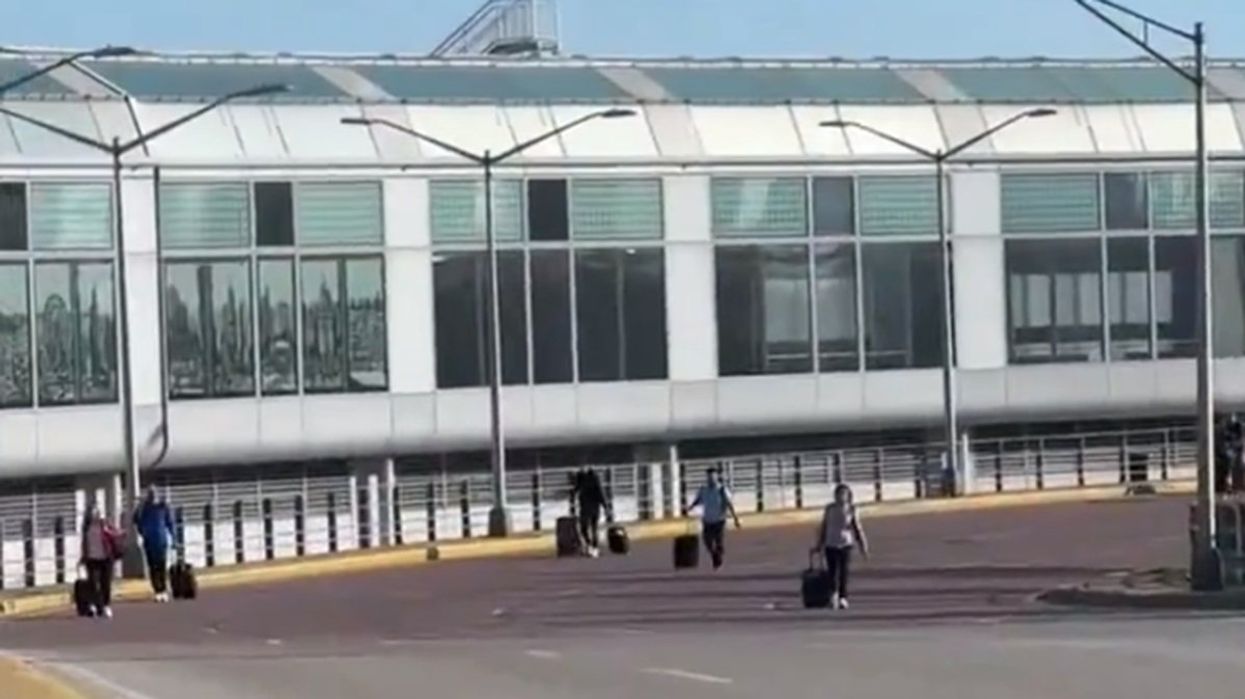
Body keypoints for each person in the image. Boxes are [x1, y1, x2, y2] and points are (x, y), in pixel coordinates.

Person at [813, 484, 869, 610]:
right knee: (832, 572)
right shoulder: (829, 509)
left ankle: (843, 597)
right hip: (831, 543)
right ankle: (833, 595)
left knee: (844, 572)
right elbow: (824, 526)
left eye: (844, 494)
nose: (841, 497)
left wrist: (863, 545)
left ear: (848, 496)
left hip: (845, 544)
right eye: (838, 494)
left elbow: (857, 528)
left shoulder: (852, 509)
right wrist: (819, 544)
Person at [689, 468, 741, 570]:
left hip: (719, 520)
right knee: (707, 541)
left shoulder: (722, 490)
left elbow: (729, 504)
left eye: (713, 476)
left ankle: (718, 558)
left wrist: (735, 519)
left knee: (719, 542)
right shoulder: (703, 490)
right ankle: (716, 556)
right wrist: (691, 507)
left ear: (717, 477)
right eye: (709, 477)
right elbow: (698, 500)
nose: (711, 479)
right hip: (707, 520)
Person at [133, 485, 176, 602]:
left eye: (154, 493)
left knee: (161, 566)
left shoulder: (162, 507)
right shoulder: (144, 508)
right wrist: (139, 506)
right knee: (153, 567)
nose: (152, 496)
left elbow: (170, 523)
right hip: (149, 541)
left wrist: (174, 539)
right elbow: (136, 520)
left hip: (161, 540)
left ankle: (163, 589)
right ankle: (157, 590)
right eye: (150, 493)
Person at [80, 502, 121, 619]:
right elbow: (84, 542)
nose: (94, 514)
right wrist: (83, 555)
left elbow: (114, 534)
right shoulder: (86, 527)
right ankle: (93, 605)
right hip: (92, 558)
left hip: (105, 558)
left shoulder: (104, 523)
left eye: (95, 511)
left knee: (105, 583)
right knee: (93, 582)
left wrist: (110, 531)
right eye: (91, 511)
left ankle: (106, 606)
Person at [571, 467, 610, 557]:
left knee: (584, 528)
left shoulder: (582, 481)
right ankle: (594, 547)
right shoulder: (594, 480)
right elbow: (601, 494)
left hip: (586, 508)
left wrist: (573, 502)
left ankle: (590, 545)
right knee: (593, 528)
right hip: (594, 507)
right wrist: (605, 507)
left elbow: (575, 491)